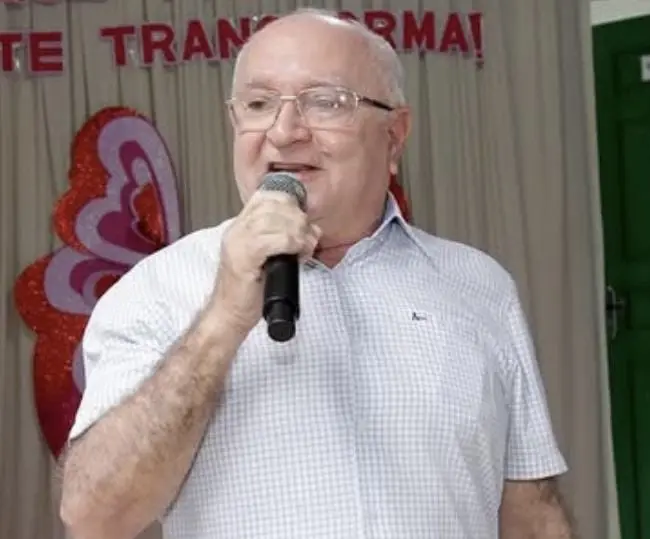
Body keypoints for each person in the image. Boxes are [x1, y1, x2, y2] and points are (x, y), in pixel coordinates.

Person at [59, 7, 576, 539]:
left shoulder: (479, 285)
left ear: (395, 136)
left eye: (325, 102)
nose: (284, 133)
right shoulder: (155, 289)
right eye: (259, 104)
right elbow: (96, 516)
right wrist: (223, 319)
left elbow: (531, 513)